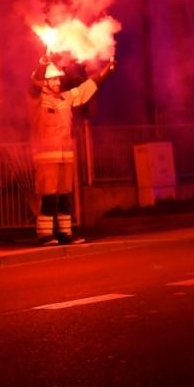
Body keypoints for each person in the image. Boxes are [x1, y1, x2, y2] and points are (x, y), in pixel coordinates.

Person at [29, 53, 114, 245]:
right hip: (46, 158)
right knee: (49, 196)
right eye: (54, 79)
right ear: (45, 82)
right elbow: (33, 85)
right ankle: (44, 234)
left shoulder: (65, 99)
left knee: (66, 195)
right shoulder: (37, 100)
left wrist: (106, 72)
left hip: (65, 157)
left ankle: (65, 233)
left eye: (59, 79)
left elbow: (86, 89)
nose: (59, 82)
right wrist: (42, 64)